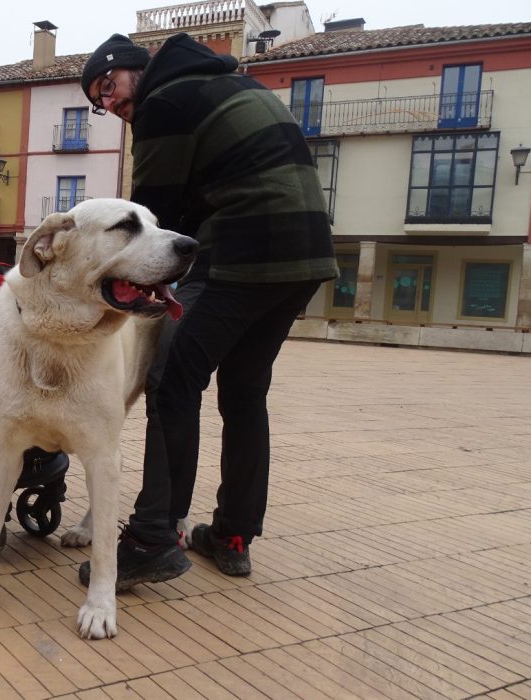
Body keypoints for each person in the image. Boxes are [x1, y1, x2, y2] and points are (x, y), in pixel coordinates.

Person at [79, 33, 338, 584]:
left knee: (172, 379)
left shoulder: (164, 102)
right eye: (97, 100)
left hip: (247, 246)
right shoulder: (222, 83)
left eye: (108, 85)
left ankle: (152, 537)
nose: (108, 103)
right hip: (308, 252)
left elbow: (154, 224)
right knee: (245, 392)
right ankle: (233, 533)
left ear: (135, 69)